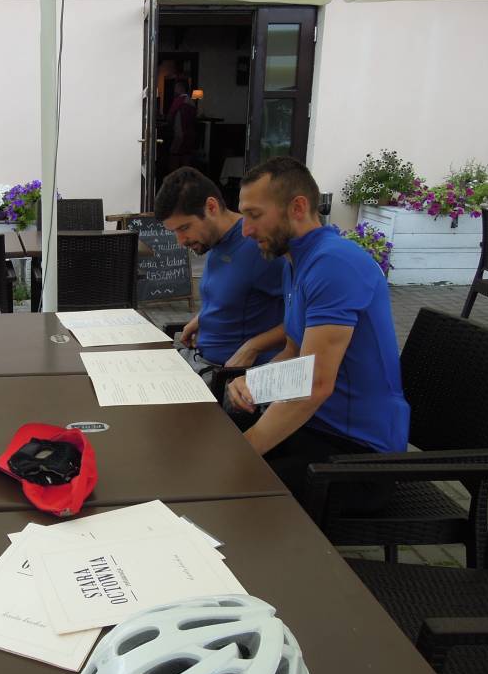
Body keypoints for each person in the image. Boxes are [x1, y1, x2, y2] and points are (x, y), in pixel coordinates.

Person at [227, 157, 410, 511]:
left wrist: (243, 452)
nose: (245, 231)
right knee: (214, 449)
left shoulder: (334, 264)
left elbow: (314, 384)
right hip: (317, 428)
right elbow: (294, 353)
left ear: (297, 207)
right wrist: (255, 381)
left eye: (254, 215)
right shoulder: (295, 260)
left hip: (360, 456)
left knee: (232, 489)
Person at [155, 166, 285, 374]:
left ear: (211, 207)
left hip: (230, 376)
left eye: (184, 228)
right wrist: (202, 318)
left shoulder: (258, 246)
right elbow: (235, 293)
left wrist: (254, 347)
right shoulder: (215, 241)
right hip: (200, 359)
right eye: (174, 232)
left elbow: (304, 317)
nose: (180, 241)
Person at [166, 80, 198, 172]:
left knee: (173, 156)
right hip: (190, 134)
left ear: (180, 88)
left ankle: (174, 177)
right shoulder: (191, 102)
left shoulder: (179, 100)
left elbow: (170, 116)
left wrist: (169, 125)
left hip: (180, 134)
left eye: (176, 88)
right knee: (186, 157)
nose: (174, 90)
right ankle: (186, 177)